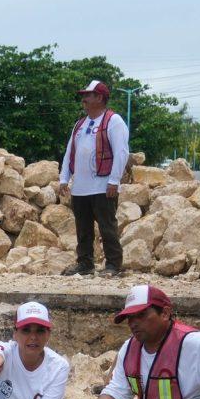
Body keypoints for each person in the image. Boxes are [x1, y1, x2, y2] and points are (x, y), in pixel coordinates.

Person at [58, 80, 129, 277]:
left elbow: (121, 152)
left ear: (99, 98)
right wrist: (64, 178)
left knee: (107, 227)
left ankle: (113, 265)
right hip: (80, 187)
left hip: (102, 185)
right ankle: (85, 263)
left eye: (88, 95)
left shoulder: (113, 121)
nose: (84, 99)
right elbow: (69, 152)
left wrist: (114, 181)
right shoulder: (80, 124)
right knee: (83, 229)